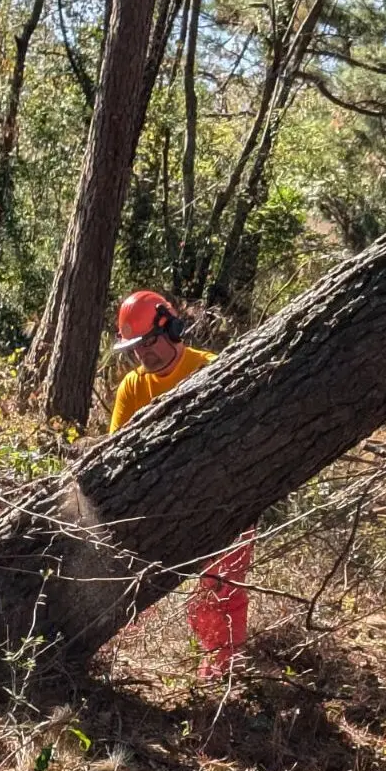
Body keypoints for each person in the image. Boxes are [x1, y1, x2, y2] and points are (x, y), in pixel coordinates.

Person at [109, 290, 252, 677]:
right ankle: (126, 660)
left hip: (222, 499)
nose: (143, 355)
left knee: (218, 591)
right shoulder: (132, 388)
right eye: (134, 348)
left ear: (170, 327)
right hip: (160, 504)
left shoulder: (211, 369)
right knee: (128, 577)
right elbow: (115, 455)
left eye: (148, 342)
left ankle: (221, 669)